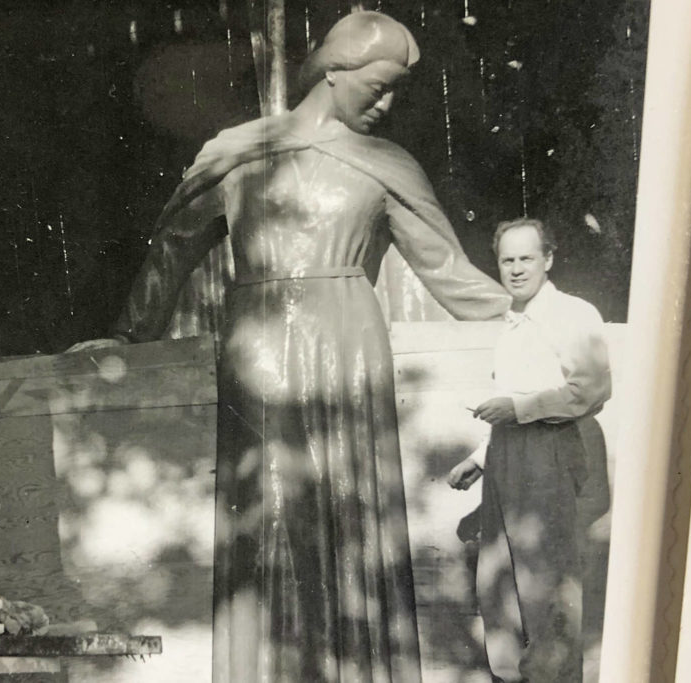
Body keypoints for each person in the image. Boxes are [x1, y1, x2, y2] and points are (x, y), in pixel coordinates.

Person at [70, 12, 510, 682]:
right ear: (334, 72)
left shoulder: (387, 164)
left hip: (348, 345)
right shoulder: (238, 152)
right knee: (266, 516)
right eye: (378, 86)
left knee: (350, 510)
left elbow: (449, 271)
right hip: (260, 348)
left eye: (397, 91)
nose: (387, 104)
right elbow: (173, 246)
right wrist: (131, 332)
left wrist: (538, 317)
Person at [447, 218, 612, 682]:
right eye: (507, 260)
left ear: (549, 259)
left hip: (552, 454)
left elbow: (590, 390)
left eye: (526, 258)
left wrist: (517, 409)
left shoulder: (573, 314)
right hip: (506, 459)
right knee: (497, 584)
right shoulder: (512, 323)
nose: (516, 269)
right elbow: (509, 405)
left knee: (546, 586)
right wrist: (479, 460)